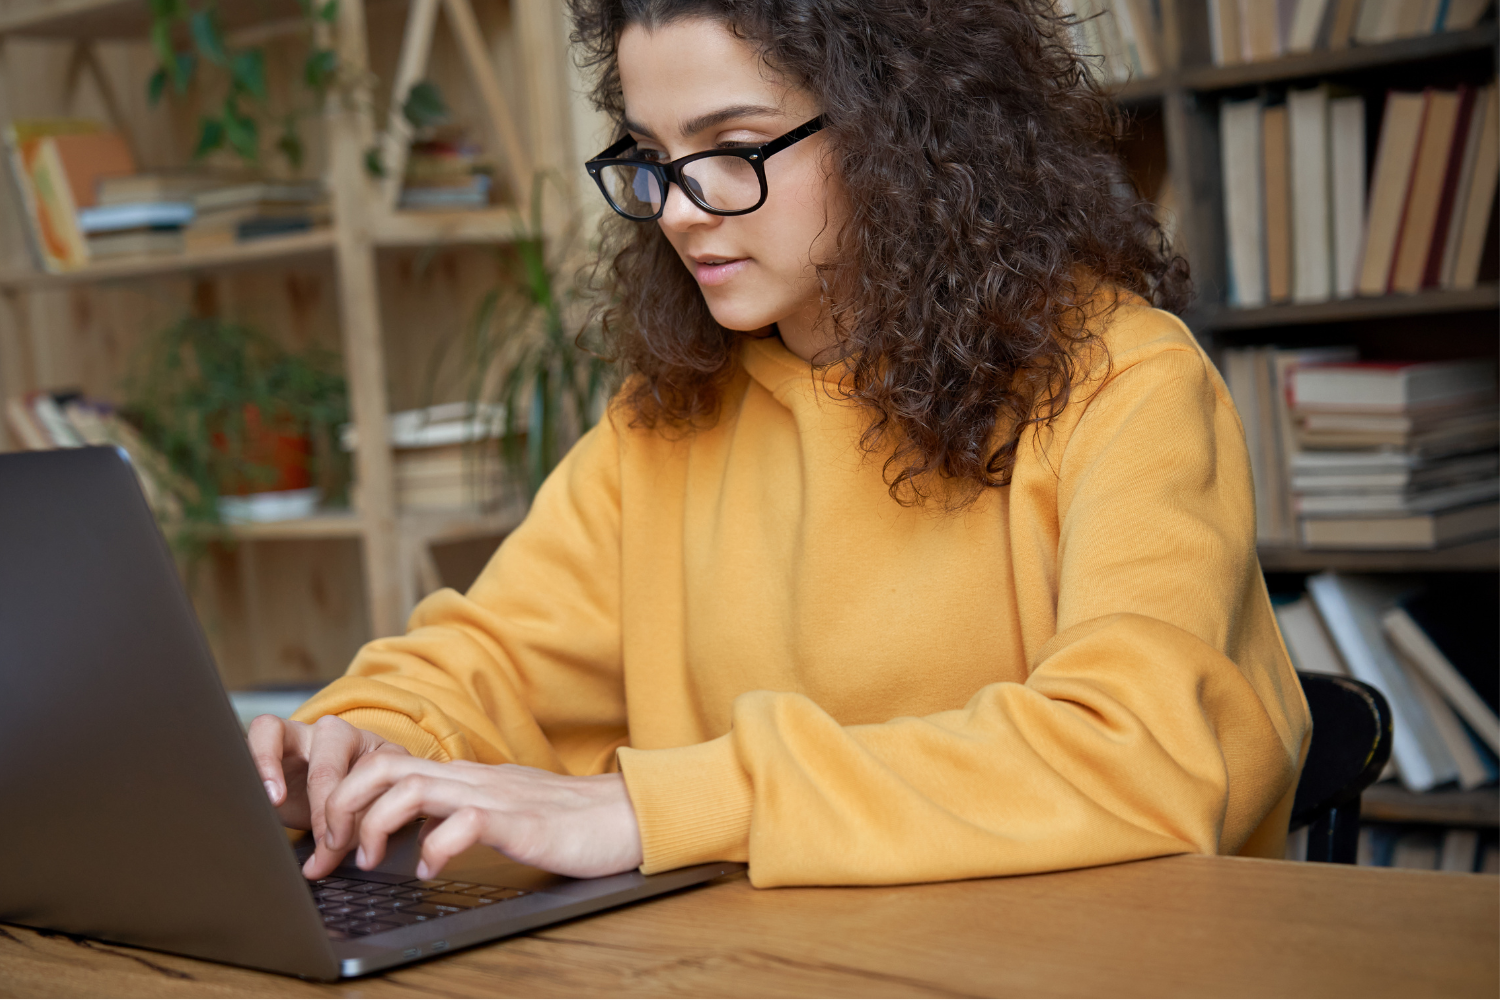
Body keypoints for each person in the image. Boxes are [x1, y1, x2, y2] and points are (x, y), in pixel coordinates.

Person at [249, 0, 1310, 889]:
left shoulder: (1126, 382)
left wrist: (654, 808)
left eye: (735, 148)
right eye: (655, 158)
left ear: (906, 128)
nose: (679, 210)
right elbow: (491, 662)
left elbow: (1144, 756)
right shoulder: (664, 421)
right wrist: (359, 746)